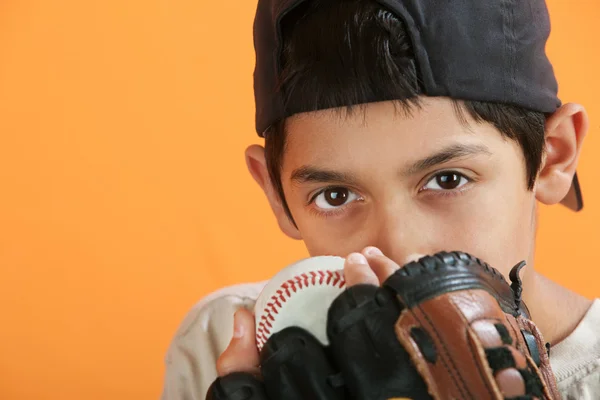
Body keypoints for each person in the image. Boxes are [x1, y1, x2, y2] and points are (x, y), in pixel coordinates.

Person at [161, 0, 600, 398]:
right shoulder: (221, 344)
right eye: (336, 195)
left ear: (552, 158)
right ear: (276, 194)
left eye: (448, 179)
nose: (400, 250)